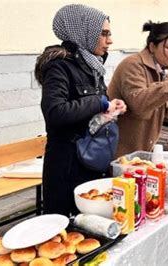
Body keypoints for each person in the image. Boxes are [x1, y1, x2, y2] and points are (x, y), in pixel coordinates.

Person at [35, 4, 127, 216]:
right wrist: (100, 103)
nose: (109, 40)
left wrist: (110, 109)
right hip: (67, 169)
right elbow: (55, 112)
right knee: (65, 234)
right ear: (84, 31)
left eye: (109, 33)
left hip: (92, 163)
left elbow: (89, 108)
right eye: (104, 34)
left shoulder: (91, 65)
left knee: (93, 228)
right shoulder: (59, 66)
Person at [108, 21, 168, 156]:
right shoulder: (132, 65)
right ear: (152, 46)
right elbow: (139, 103)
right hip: (120, 151)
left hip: (145, 152)